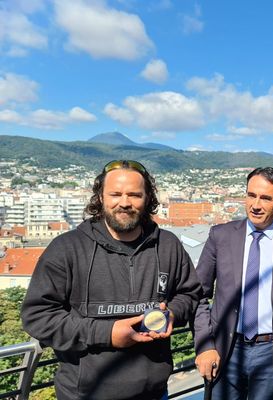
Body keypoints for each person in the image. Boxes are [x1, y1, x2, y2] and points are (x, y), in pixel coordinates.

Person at [21, 160, 201, 400]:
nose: (124, 203)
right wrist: (107, 333)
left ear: (148, 198)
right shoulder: (66, 249)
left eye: (134, 195)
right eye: (115, 194)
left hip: (154, 393)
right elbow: (38, 317)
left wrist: (173, 314)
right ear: (101, 197)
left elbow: (190, 294)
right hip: (84, 394)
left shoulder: (168, 245)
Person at [193, 167, 273, 400]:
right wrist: (205, 345)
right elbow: (198, 294)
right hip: (225, 350)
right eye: (251, 195)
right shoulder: (221, 236)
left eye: (266, 198)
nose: (255, 205)